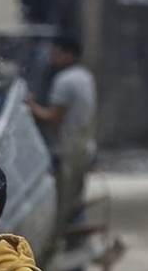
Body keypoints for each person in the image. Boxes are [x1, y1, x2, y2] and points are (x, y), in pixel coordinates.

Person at [26, 35, 98, 250]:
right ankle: (76, 255)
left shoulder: (64, 81)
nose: (52, 58)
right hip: (84, 147)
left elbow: (53, 119)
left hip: (68, 151)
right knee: (75, 201)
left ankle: (74, 258)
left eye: (56, 53)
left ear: (68, 54)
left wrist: (30, 105)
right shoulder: (85, 76)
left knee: (67, 205)